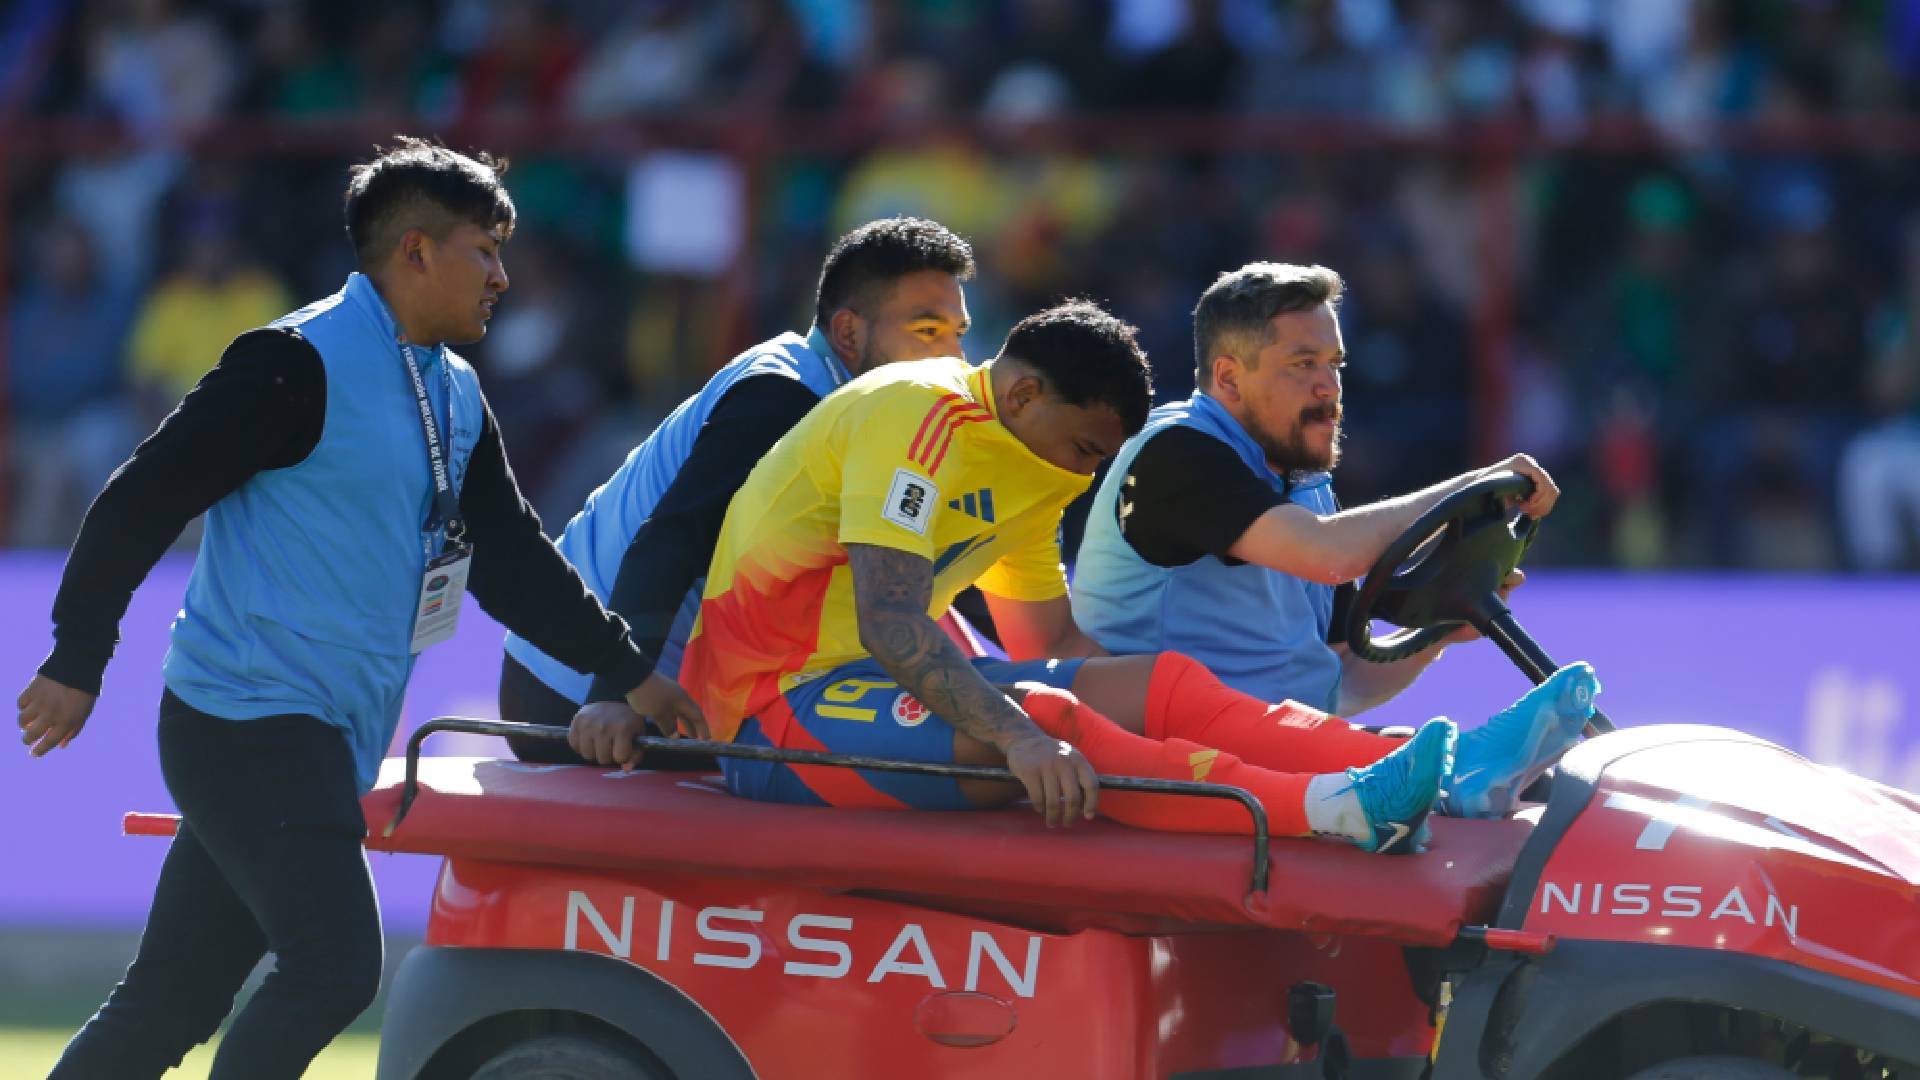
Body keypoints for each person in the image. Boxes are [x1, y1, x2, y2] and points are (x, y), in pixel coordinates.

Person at [15, 138, 703, 1080]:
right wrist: (76, 658)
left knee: (169, 1000)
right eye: (484, 250)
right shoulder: (293, 361)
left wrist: (631, 674)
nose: (503, 275)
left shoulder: (453, 390)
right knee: (336, 966)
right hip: (247, 719)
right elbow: (143, 496)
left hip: (311, 733)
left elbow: (512, 562)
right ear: (415, 252)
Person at [571, 300, 1598, 854]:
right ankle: (1328, 809)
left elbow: (1051, 646)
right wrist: (1021, 728)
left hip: (867, 689)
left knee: (1154, 684)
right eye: (1079, 446)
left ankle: (1446, 766)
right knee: (1053, 728)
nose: (1083, 472)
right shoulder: (911, 418)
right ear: (1018, 393)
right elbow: (891, 620)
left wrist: (1157, 708)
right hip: (769, 707)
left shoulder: (1032, 469)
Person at [1070, 262, 1592, 817]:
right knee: (1477, 796)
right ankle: (1459, 764)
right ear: (1227, 379)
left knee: (1559, 796)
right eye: (1303, 364)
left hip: (1280, 752)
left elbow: (1342, 684)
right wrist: (1475, 483)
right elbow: (1329, 554)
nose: (1329, 386)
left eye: (1333, 363)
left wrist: (1440, 629)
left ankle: (1464, 770)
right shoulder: (1176, 455)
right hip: (1176, 765)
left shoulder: (1304, 481)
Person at [499, 216, 976, 761]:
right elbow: (670, 539)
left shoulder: (869, 411)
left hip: (636, 685)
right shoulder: (783, 397)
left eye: (956, 333)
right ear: (848, 333)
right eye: (926, 332)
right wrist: (616, 691)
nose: (954, 360)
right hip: (580, 695)